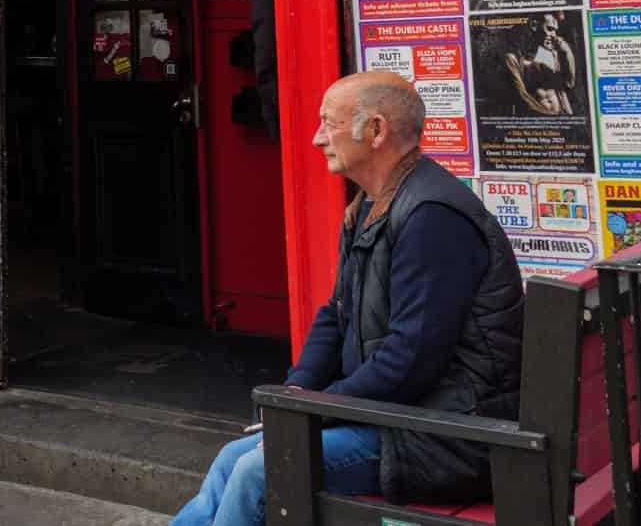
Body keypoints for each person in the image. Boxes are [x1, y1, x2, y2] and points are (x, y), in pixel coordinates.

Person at [172, 73, 524, 526]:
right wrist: (294, 394)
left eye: (329, 124)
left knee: (257, 470)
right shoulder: (372, 205)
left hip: (449, 436)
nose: (317, 138)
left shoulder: (432, 217)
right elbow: (336, 316)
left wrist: (315, 412)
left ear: (375, 131)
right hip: (399, 417)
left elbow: (410, 361)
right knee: (231, 458)